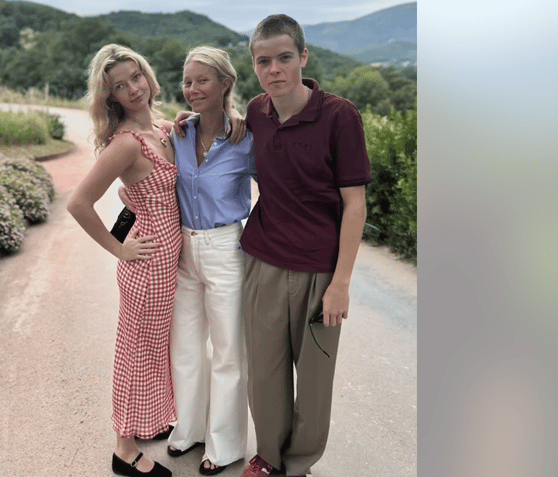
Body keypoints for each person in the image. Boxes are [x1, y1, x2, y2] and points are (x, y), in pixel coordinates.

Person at [177, 14, 372, 477]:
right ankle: (267, 456)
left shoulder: (340, 116)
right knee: (264, 374)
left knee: (315, 380)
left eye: (284, 58)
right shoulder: (257, 116)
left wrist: (341, 283)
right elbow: (219, 135)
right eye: (264, 61)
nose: (275, 69)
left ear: (303, 57)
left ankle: (298, 463)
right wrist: (191, 117)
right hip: (261, 260)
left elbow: (355, 204)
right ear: (254, 67)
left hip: (320, 269)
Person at [121, 46, 254, 476]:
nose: (192, 89)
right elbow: (142, 183)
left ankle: (225, 443)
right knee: (186, 347)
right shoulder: (176, 132)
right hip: (181, 248)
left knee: (228, 351)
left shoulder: (245, 138)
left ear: (225, 85)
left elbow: (275, 191)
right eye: (187, 81)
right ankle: (189, 430)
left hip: (224, 248)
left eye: (202, 80)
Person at [67, 43, 181, 477]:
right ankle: (124, 449)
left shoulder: (164, 129)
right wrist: (119, 249)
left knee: (155, 350)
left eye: (136, 77)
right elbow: (78, 203)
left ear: (148, 76)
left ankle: (144, 423)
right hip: (147, 266)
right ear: (110, 96)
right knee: (137, 351)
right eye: (120, 85)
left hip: (169, 261)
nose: (133, 88)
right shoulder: (127, 144)